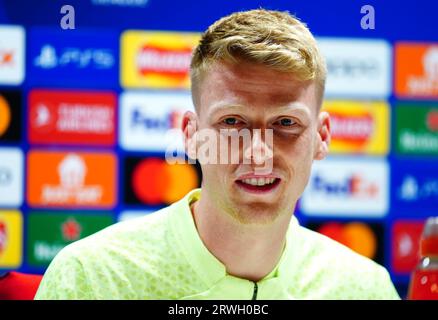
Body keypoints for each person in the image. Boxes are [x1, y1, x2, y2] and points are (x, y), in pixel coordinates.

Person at [35, 9, 400, 300]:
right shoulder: (94, 279)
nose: (259, 153)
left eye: (286, 122)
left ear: (322, 137)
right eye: (232, 122)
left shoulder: (365, 289)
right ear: (192, 135)